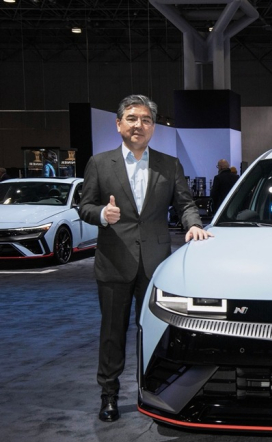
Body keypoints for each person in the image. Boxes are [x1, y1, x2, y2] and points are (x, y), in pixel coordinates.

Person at [79, 95, 213, 423]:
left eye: (146, 119)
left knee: (154, 331)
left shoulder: (169, 164)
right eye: (131, 118)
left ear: (153, 126)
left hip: (155, 265)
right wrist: (102, 214)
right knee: (112, 332)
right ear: (119, 124)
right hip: (113, 262)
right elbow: (84, 207)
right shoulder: (99, 163)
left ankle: (151, 391)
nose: (139, 124)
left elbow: (185, 203)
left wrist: (193, 225)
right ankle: (108, 394)